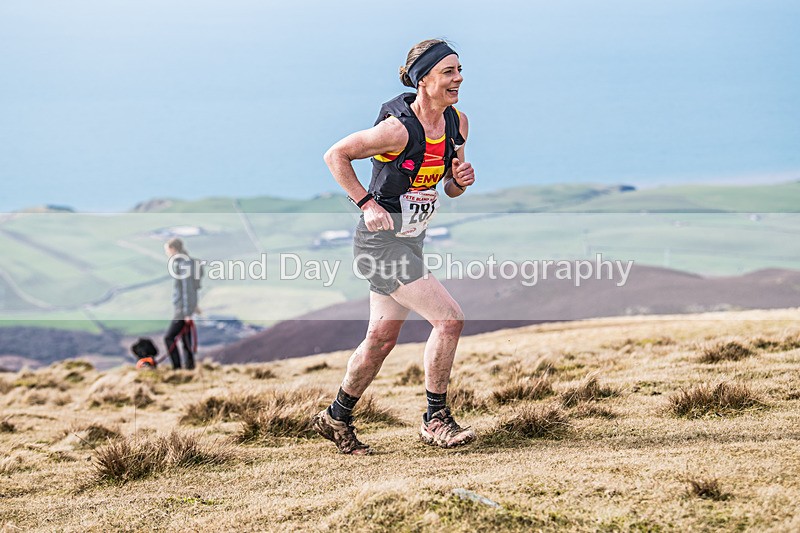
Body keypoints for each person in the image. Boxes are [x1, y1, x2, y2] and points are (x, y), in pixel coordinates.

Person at [313, 39, 476, 454]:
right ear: (424, 79)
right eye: (449, 72)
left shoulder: (458, 123)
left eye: (459, 70)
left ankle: (335, 416)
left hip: (410, 242)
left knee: (380, 341)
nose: (459, 78)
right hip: (379, 246)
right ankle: (435, 419)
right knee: (449, 319)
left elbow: (450, 189)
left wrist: (460, 181)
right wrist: (366, 203)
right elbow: (336, 155)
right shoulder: (397, 130)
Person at [163, 237, 199, 370]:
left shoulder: (182, 263)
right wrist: (193, 306)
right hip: (185, 308)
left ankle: (177, 368)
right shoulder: (187, 261)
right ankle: (190, 368)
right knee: (185, 339)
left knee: (169, 338)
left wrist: (187, 312)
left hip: (182, 309)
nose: (167, 253)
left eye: (167, 249)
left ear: (172, 249)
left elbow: (186, 289)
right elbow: (193, 288)